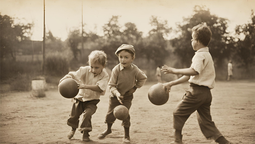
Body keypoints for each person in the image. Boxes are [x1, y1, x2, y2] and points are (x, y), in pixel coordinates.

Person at [161, 23, 232, 144]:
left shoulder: (199, 55)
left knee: (178, 113)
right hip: (206, 94)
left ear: (198, 41)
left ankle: (177, 140)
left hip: (196, 93)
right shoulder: (207, 55)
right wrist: (171, 83)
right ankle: (224, 142)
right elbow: (189, 75)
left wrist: (174, 70)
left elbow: (193, 71)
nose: (191, 41)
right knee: (206, 121)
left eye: (192, 39)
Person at [98, 44, 147, 144]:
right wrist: (117, 94)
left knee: (125, 114)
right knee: (110, 115)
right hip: (114, 96)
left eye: (126, 57)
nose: (123, 60)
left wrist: (135, 87)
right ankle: (108, 129)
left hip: (127, 97)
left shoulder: (135, 70)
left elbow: (143, 78)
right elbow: (111, 85)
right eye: (120, 57)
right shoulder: (116, 69)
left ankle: (126, 135)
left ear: (132, 58)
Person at [59, 50, 109, 142]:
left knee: (88, 114)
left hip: (92, 100)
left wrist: (85, 86)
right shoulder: (84, 70)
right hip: (80, 98)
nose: (93, 70)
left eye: (97, 68)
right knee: (74, 116)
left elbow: (99, 88)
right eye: (91, 67)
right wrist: (64, 79)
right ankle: (72, 130)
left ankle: (85, 134)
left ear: (103, 66)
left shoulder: (104, 75)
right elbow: (73, 75)